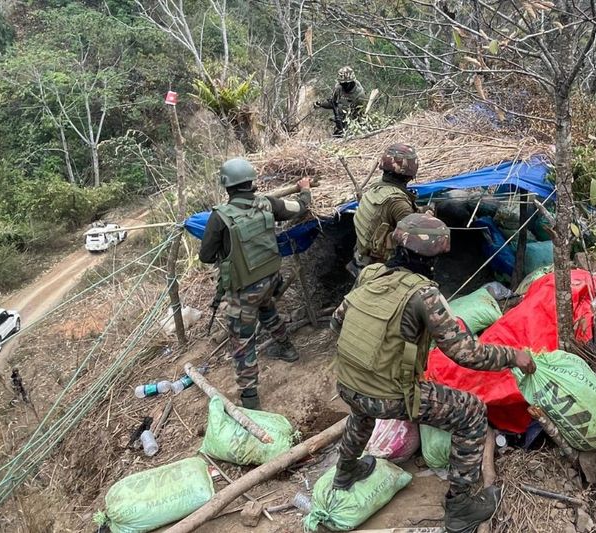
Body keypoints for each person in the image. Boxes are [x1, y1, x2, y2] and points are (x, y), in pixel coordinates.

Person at [329, 213, 536, 533]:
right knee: (471, 411)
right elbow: (467, 353)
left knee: (362, 409)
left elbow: (338, 324)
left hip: (347, 383)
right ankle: (461, 507)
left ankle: (345, 473)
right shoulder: (424, 295)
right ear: (437, 254)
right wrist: (514, 356)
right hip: (387, 395)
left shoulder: (369, 275)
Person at [199, 157, 312, 409]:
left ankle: (250, 400)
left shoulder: (220, 218)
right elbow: (300, 207)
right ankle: (287, 349)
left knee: (242, 343)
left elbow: (206, 256)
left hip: (243, 291)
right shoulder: (268, 204)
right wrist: (305, 189)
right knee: (269, 311)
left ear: (226, 186)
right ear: (251, 181)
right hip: (270, 279)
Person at [351, 143, 421, 272]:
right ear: (411, 172)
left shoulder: (376, 187)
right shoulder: (397, 202)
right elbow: (415, 242)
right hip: (380, 268)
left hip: (360, 257)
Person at [314, 66, 367, 136]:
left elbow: (361, 115)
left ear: (351, 82)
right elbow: (332, 103)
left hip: (354, 126)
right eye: (341, 83)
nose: (343, 86)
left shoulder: (360, 94)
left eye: (345, 84)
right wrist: (321, 104)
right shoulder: (338, 87)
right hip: (341, 123)